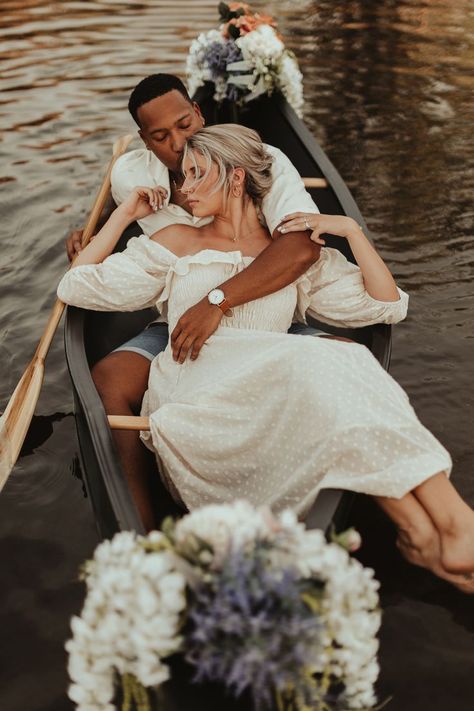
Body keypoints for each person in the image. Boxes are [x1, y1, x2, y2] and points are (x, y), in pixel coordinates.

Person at [58, 124, 474, 592]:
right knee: (330, 362)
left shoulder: (290, 253)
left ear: (236, 179)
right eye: (183, 176)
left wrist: (352, 233)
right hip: (196, 394)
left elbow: (386, 305)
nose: (184, 187)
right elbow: (77, 286)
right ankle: (455, 524)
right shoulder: (178, 240)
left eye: (196, 175)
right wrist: (125, 214)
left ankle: (422, 531)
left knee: (347, 365)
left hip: (267, 394)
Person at [65, 73, 329, 519]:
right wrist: (97, 229)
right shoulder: (130, 172)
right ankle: (139, 525)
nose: (178, 141)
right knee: (107, 380)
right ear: (145, 142)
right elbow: (122, 208)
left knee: (341, 363)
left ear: (199, 114)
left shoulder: (262, 161)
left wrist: (217, 302)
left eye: (186, 125)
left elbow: (303, 245)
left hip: (264, 306)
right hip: (177, 316)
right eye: (161, 136)